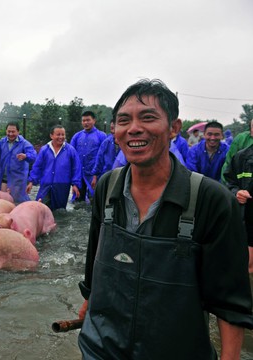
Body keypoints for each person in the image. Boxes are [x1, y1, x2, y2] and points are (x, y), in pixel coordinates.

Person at [77, 79, 253, 359]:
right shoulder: (108, 188)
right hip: (101, 349)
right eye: (124, 120)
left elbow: (230, 302)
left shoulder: (212, 201)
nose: (133, 128)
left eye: (148, 117)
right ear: (115, 131)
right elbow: (94, 257)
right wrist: (88, 301)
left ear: (174, 128)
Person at [26, 125, 81, 211]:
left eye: (63, 135)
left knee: (59, 211)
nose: (61, 137)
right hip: (46, 185)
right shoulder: (44, 150)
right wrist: (31, 182)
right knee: (40, 208)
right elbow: (37, 167)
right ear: (51, 136)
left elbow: (76, 168)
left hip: (62, 186)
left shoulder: (70, 150)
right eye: (58, 134)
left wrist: (75, 184)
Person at [0, 122, 36, 203]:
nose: (10, 134)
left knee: (18, 204)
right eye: (8, 131)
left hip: (18, 182)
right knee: (2, 203)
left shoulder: (24, 144)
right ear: (6, 131)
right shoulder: (1, 143)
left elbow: (34, 155)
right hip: (3, 180)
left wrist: (26, 156)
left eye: (13, 132)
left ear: (18, 132)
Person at [224, 144, 253, 273]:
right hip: (248, 222)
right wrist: (236, 192)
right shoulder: (241, 157)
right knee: (249, 264)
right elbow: (229, 182)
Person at [70, 111, 107, 202]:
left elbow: (104, 156)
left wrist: (97, 175)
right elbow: (71, 155)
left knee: (94, 199)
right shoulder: (77, 136)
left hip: (94, 174)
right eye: (83, 120)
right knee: (78, 200)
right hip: (79, 174)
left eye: (88, 120)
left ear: (94, 120)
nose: (85, 123)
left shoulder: (101, 136)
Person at [90, 118, 119, 189]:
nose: (113, 131)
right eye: (111, 128)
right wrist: (95, 176)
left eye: (115, 128)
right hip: (107, 175)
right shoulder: (106, 142)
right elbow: (99, 160)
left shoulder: (126, 143)